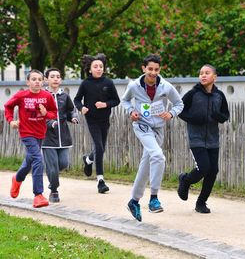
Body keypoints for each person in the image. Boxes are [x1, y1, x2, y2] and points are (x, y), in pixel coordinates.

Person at [121, 54, 184, 222]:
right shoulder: (134, 86)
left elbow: (180, 104)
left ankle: (134, 201)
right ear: (143, 68)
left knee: (147, 163)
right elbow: (125, 101)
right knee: (158, 156)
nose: (153, 72)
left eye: (156, 69)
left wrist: (170, 113)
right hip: (142, 125)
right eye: (150, 69)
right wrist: (131, 111)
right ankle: (154, 198)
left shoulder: (166, 87)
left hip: (158, 128)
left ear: (159, 69)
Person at [177, 64, 230, 214]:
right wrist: (192, 118)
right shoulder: (193, 94)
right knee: (204, 168)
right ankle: (185, 179)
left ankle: (201, 203)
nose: (203, 75)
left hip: (213, 140)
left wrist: (218, 116)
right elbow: (179, 109)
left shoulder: (219, 95)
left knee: (213, 171)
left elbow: (225, 115)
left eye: (207, 73)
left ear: (214, 77)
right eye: (201, 73)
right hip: (196, 139)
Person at [4, 69, 57, 208]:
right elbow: (8, 107)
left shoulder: (47, 96)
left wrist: (46, 113)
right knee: (38, 159)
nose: (37, 82)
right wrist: (11, 121)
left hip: (40, 133)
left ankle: (17, 178)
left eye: (39, 79)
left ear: (43, 81)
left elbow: (54, 113)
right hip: (26, 133)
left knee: (30, 159)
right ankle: (38, 195)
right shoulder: (21, 96)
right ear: (28, 82)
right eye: (34, 79)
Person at [74, 53, 120, 193]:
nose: (99, 68)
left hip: (104, 119)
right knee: (99, 148)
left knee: (101, 149)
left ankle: (88, 160)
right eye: (95, 66)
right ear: (90, 69)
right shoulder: (85, 84)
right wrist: (82, 108)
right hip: (92, 119)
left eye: (101, 66)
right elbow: (77, 100)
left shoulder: (108, 83)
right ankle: (100, 181)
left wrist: (105, 104)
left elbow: (116, 100)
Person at [42, 68, 79, 203]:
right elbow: (40, 115)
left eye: (58, 76)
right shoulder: (42, 96)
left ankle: (52, 178)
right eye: (52, 76)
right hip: (47, 138)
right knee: (52, 167)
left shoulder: (65, 96)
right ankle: (54, 191)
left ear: (61, 80)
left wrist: (73, 117)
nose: (56, 79)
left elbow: (71, 110)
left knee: (63, 163)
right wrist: (50, 122)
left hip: (63, 137)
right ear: (47, 79)